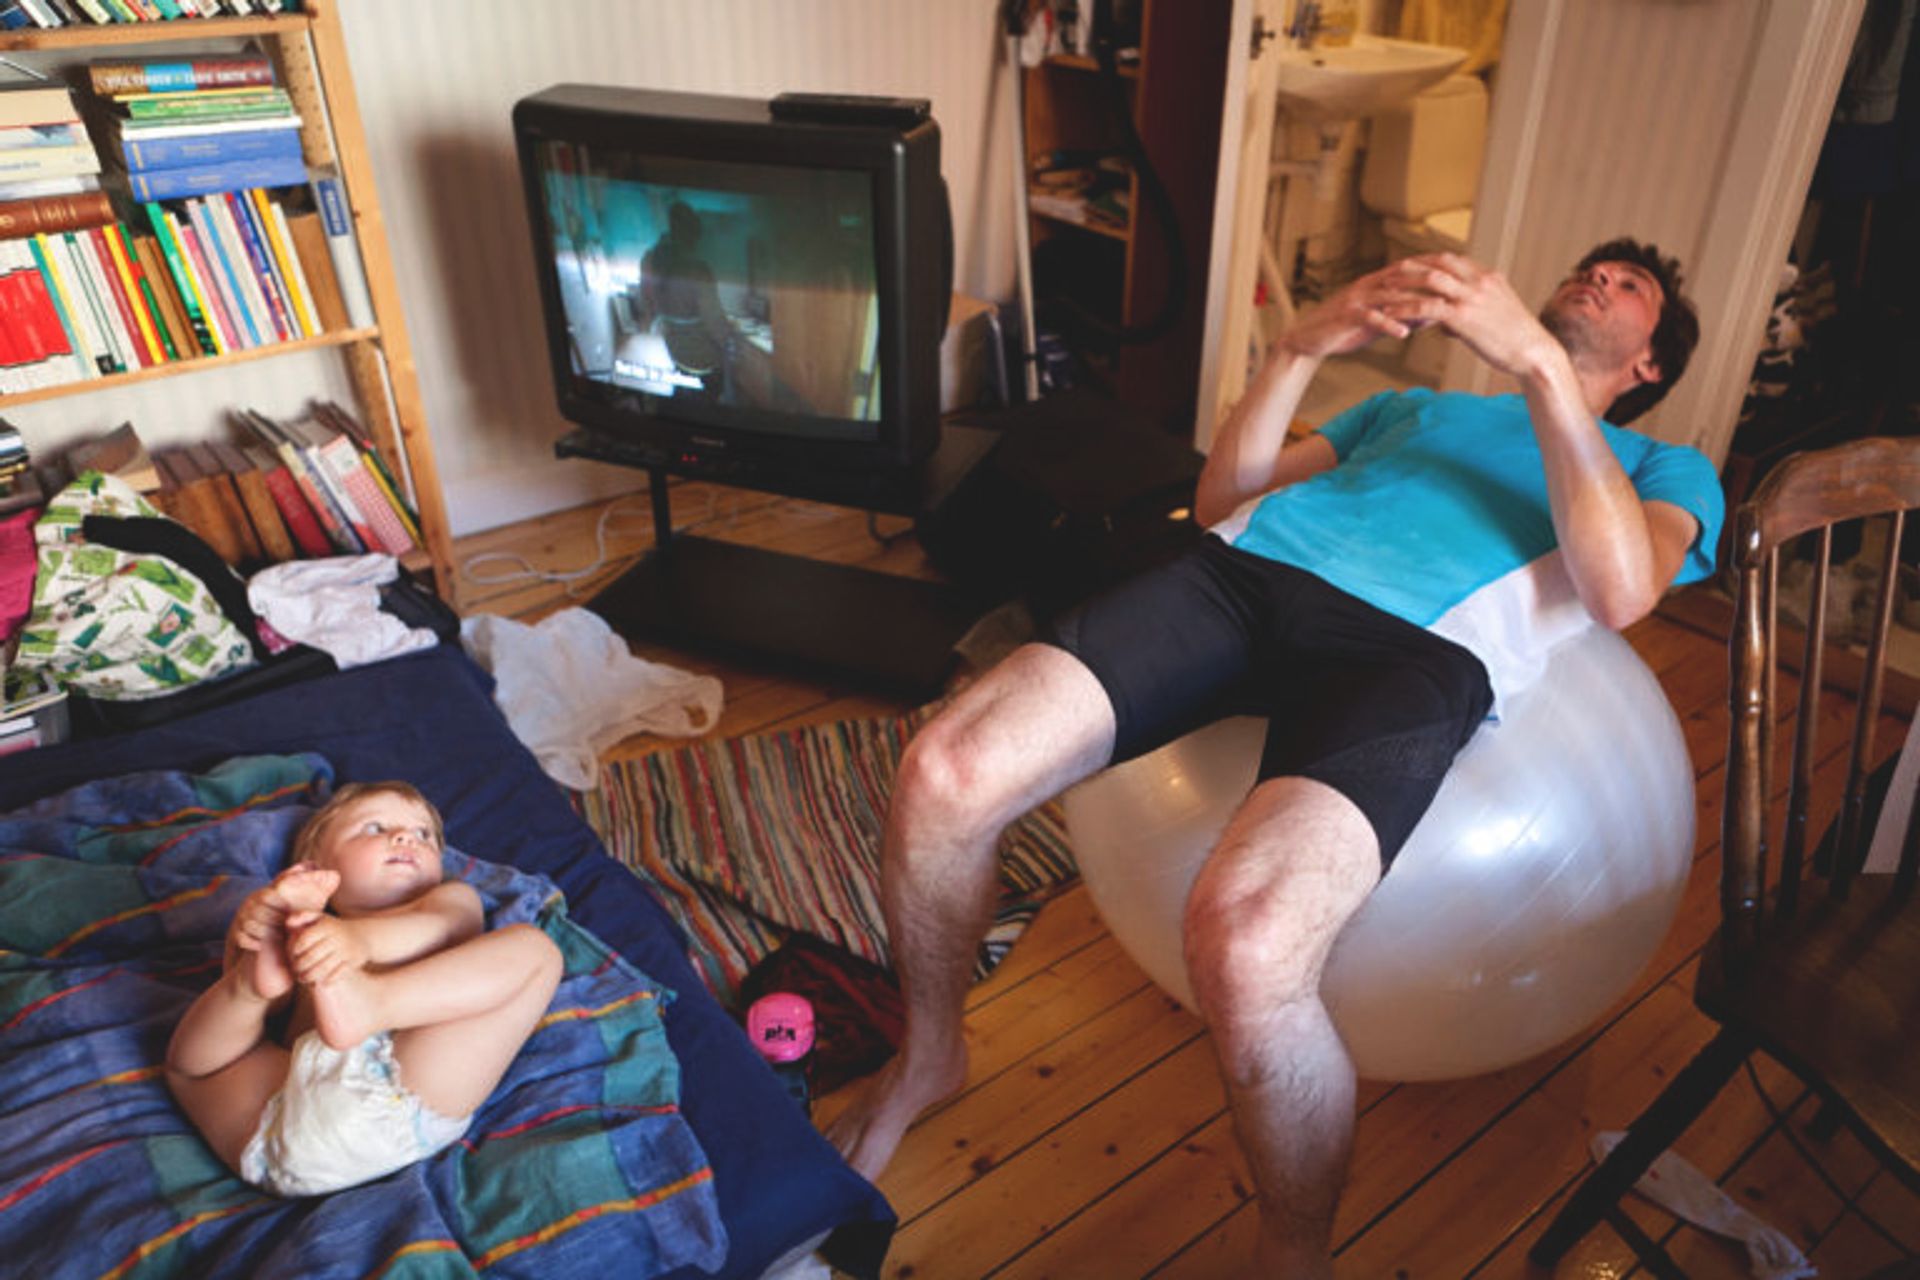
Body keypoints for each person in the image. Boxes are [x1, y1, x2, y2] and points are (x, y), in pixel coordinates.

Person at [825, 241, 1725, 1276]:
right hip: (1237, 574)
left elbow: (1621, 589)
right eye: (1592, 268)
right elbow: (1223, 495)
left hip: (1417, 650)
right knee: (943, 771)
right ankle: (931, 1049)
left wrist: (1540, 370)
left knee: (1249, 941)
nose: (1597, 280)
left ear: (1649, 364)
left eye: (1629, 288)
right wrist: (1297, 345)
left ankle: (1292, 1251)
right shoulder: (1414, 410)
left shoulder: (1659, 467)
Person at [165, 781, 564, 1198]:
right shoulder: (309, 928)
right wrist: (250, 940)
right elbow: (269, 1020)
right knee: (198, 1060)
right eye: (375, 828)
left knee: (534, 951)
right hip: (288, 1111)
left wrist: (358, 942)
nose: (406, 837)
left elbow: (447, 927)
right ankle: (248, 985)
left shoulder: (449, 899)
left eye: (425, 835)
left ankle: (369, 1001)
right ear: (316, 865)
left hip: (394, 1082)